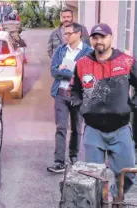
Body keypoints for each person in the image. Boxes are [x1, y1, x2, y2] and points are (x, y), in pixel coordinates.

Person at [71, 23, 137, 201]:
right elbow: (75, 90)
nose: (98, 40)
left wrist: (131, 105)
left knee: (129, 174)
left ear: (111, 37)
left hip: (121, 129)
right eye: (95, 37)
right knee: (94, 178)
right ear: (91, 39)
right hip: (93, 131)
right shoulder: (82, 64)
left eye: (102, 36)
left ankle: (115, 199)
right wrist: (81, 107)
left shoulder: (126, 61)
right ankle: (101, 203)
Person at [47, 23, 93, 173]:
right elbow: (53, 71)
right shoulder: (61, 50)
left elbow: (86, 74)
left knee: (76, 128)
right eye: (65, 33)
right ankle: (59, 161)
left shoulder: (88, 52)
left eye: (69, 34)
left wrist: (66, 70)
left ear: (78, 34)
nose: (65, 36)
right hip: (61, 92)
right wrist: (71, 72)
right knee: (60, 128)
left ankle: (74, 157)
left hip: (78, 95)